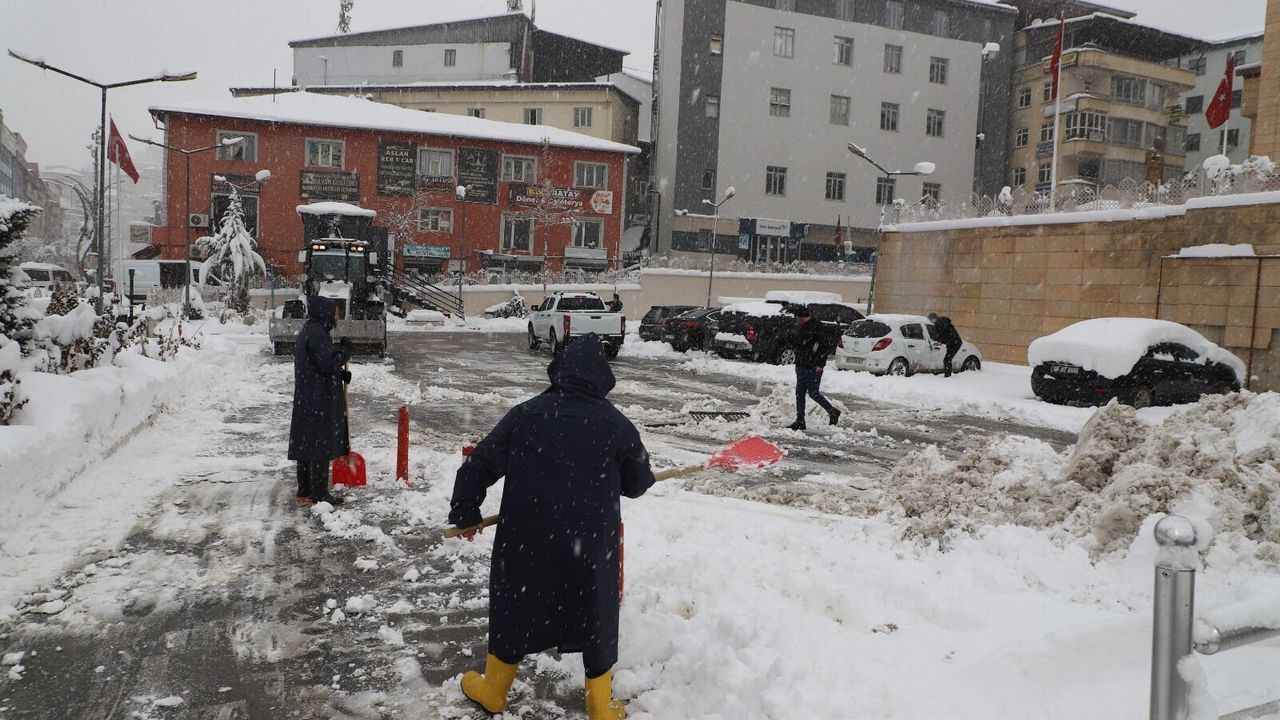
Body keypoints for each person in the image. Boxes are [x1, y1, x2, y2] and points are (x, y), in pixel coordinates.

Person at [449, 334, 654, 720]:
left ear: (559, 371)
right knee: (595, 614)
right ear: (602, 377)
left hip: (527, 544)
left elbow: (478, 465)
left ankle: (494, 690)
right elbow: (639, 483)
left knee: (515, 609)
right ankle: (600, 704)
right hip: (589, 548)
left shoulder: (525, 415)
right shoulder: (617, 425)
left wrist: (465, 511)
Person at [288, 296, 353, 506]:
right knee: (320, 444)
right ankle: (319, 494)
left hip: (308, 396)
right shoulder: (318, 334)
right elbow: (326, 365)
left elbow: (316, 365)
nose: (338, 317)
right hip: (318, 398)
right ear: (325, 312)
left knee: (307, 442)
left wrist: (340, 375)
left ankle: (305, 488)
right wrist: (344, 352)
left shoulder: (310, 331)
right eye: (336, 312)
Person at [787, 306, 840, 431]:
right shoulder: (801, 327)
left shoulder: (818, 327)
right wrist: (797, 363)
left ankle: (833, 411)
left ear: (802, 317)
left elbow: (824, 347)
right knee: (799, 393)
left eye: (797, 318)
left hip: (814, 366)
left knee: (813, 393)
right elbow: (800, 347)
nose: (796, 320)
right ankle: (800, 421)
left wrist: (820, 364)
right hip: (802, 365)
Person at [928, 312, 963, 378]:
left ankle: (948, 376)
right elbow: (946, 334)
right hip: (954, 342)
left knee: (947, 360)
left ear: (933, 319)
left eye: (930, 320)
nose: (931, 322)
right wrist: (941, 341)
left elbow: (943, 334)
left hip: (953, 343)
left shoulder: (938, 323)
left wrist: (940, 340)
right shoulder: (942, 322)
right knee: (947, 359)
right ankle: (948, 375)